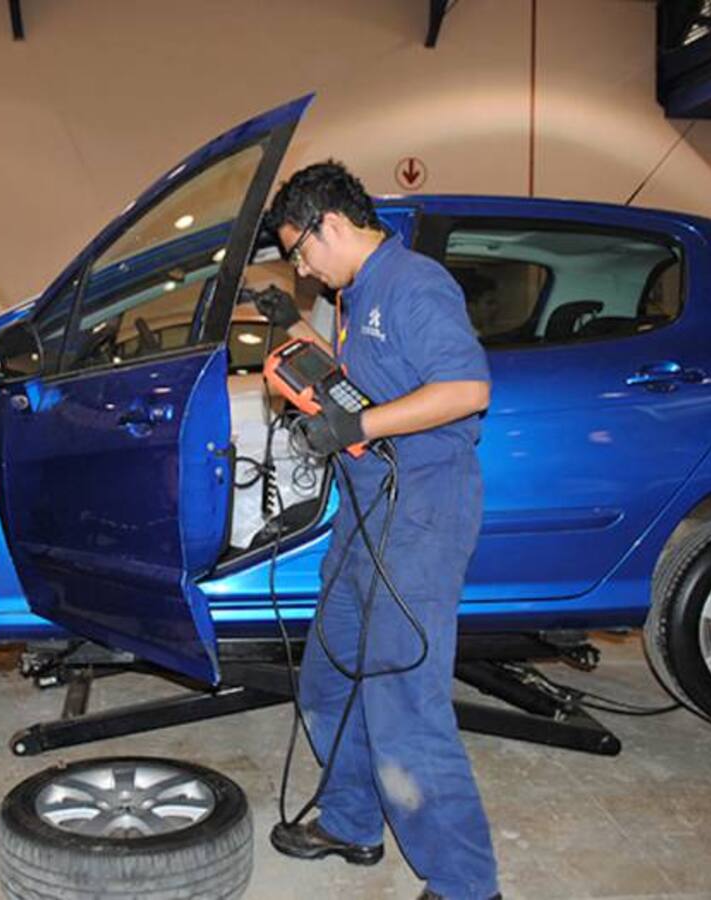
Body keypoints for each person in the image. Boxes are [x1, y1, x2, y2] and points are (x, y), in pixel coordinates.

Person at [260, 161, 499, 900]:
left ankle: (466, 883)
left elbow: (466, 390)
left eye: (300, 251)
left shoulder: (414, 284)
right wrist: (286, 327)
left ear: (331, 223)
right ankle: (352, 818)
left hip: (422, 510)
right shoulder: (357, 293)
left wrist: (355, 426)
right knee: (331, 675)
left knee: (402, 697)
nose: (302, 269)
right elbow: (363, 378)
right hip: (369, 514)